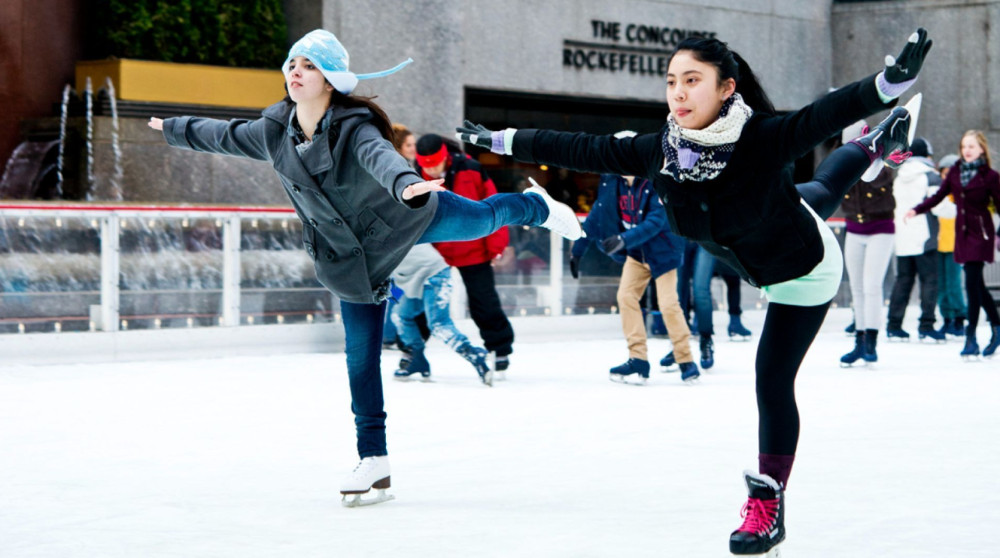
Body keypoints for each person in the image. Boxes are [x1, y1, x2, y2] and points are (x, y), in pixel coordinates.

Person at [458, 29, 932, 556]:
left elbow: (818, 116)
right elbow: (579, 148)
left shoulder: (761, 138)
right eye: (671, 82)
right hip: (767, 227)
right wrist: (499, 140)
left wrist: (888, 84)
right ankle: (874, 144)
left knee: (772, 380)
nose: (678, 93)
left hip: (802, 271)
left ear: (726, 88)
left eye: (692, 81)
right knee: (816, 191)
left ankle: (768, 506)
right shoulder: (661, 150)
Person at [148, 29, 582, 507]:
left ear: (331, 79)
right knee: (360, 360)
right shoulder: (274, 131)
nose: (296, 71)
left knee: (480, 219)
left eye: (309, 65)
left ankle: (534, 207)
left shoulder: (355, 126)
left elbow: (380, 159)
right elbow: (222, 135)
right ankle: (373, 459)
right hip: (349, 258)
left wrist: (407, 184)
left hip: (403, 214)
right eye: (293, 62)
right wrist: (172, 127)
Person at [570, 169, 699, 384]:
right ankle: (638, 358)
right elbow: (596, 217)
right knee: (626, 297)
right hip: (636, 254)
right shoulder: (613, 184)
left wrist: (623, 239)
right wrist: (577, 251)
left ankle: (685, 359)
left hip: (663, 252)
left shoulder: (655, 182)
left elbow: (656, 221)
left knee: (668, 304)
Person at [415, 133, 515, 373]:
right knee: (425, 299)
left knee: (484, 301)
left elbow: (494, 205)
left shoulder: (471, 168)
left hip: (474, 249)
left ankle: (499, 349)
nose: (431, 170)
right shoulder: (413, 177)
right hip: (436, 253)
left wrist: (496, 246)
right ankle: (412, 347)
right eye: (426, 166)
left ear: (445, 157)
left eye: (435, 164)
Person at [907, 130, 1000, 359]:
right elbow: (939, 196)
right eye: (964, 146)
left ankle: (971, 338)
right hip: (962, 233)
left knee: (971, 284)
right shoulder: (956, 172)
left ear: (981, 149)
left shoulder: (991, 177)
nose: (967, 150)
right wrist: (917, 209)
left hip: (982, 234)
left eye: (971, 146)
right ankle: (997, 328)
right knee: (977, 285)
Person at [390, 244, 491, 385]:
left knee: (438, 324)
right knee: (400, 315)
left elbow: (383, 278)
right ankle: (418, 359)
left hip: (434, 273)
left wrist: (393, 296)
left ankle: (474, 354)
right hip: (411, 277)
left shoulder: (374, 240)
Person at [838, 120, 896, 366]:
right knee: (857, 288)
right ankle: (860, 340)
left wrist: (872, 155)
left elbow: (880, 178)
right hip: (854, 229)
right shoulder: (841, 160)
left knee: (872, 285)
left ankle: (871, 341)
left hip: (880, 229)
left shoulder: (881, 159)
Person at [885, 137, 944, 342]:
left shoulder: (899, 177)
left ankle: (894, 325)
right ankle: (927, 325)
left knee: (903, 281)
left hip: (902, 237)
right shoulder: (931, 177)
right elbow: (940, 206)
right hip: (925, 237)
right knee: (929, 281)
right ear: (928, 155)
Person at [933, 153, 967, 337]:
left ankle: (960, 319)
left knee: (954, 285)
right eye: (944, 174)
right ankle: (946, 319)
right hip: (939, 245)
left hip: (957, 246)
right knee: (942, 285)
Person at [674, 240, 717, 368]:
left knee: (701, 291)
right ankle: (679, 345)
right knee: (678, 292)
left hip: (705, 237)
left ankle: (705, 341)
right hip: (680, 236)